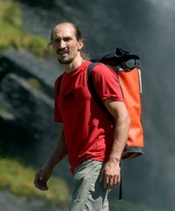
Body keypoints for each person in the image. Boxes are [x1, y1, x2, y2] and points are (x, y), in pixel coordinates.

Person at [34, 22, 130, 210]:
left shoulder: (98, 73)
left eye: (67, 39)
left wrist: (113, 162)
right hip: (79, 167)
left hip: (96, 163)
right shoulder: (61, 84)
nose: (62, 45)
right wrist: (49, 165)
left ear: (80, 44)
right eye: (57, 40)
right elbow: (67, 132)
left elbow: (123, 117)